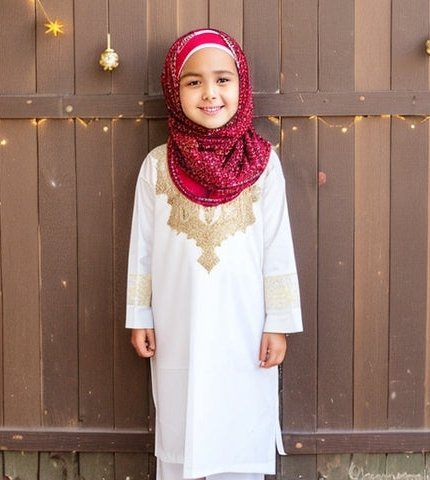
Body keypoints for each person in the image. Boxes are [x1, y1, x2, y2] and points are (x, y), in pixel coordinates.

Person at [126, 28, 303, 480]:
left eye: (223, 80)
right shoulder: (157, 165)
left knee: (239, 420)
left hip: (245, 325)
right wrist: (139, 314)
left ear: (242, 87)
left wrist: (278, 324)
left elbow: (277, 246)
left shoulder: (263, 163)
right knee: (183, 420)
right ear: (173, 88)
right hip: (176, 323)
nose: (210, 93)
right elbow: (142, 246)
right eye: (193, 81)